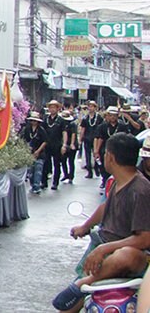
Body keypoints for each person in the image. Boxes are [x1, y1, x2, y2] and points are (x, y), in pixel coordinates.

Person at [51, 132, 150, 311]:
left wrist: (105, 249)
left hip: (130, 257)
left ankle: (85, 282)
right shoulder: (116, 182)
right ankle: (82, 289)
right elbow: (105, 207)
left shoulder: (141, 190)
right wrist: (85, 226)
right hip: (103, 246)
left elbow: (144, 239)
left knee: (126, 254)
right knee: (66, 308)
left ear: (110, 157)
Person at [94, 106, 131, 188]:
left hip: (118, 150)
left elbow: (126, 138)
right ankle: (104, 180)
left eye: (114, 115)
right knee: (103, 166)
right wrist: (96, 150)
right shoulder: (103, 126)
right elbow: (99, 138)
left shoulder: (122, 126)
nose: (112, 117)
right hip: (105, 149)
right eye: (110, 115)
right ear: (107, 116)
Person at [21, 111, 48, 194]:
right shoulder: (27, 129)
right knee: (31, 171)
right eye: (32, 120)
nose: (34, 122)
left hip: (39, 153)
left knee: (38, 170)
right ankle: (33, 185)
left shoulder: (41, 130)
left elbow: (45, 141)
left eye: (35, 121)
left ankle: (37, 186)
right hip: (30, 152)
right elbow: (24, 140)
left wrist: (38, 151)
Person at [44, 99, 66, 190]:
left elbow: (64, 133)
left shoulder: (61, 120)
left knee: (57, 164)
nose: (52, 109)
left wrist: (64, 145)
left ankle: (55, 183)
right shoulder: (45, 119)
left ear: (57, 109)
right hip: (47, 145)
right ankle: (43, 182)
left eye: (54, 107)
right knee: (46, 163)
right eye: (51, 107)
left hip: (57, 145)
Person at [78, 100, 102, 178]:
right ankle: (89, 171)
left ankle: (96, 167)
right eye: (89, 106)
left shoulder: (99, 117)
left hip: (97, 138)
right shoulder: (85, 118)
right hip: (87, 138)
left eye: (92, 106)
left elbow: (102, 127)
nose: (90, 108)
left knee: (96, 153)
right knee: (87, 155)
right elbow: (82, 129)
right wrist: (80, 139)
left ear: (95, 108)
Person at [60, 110, 77, 184]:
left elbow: (73, 134)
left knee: (71, 161)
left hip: (71, 144)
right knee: (63, 160)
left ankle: (71, 176)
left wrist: (72, 144)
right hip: (64, 144)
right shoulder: (61, 124)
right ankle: (65, 174)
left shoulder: (72, 124)